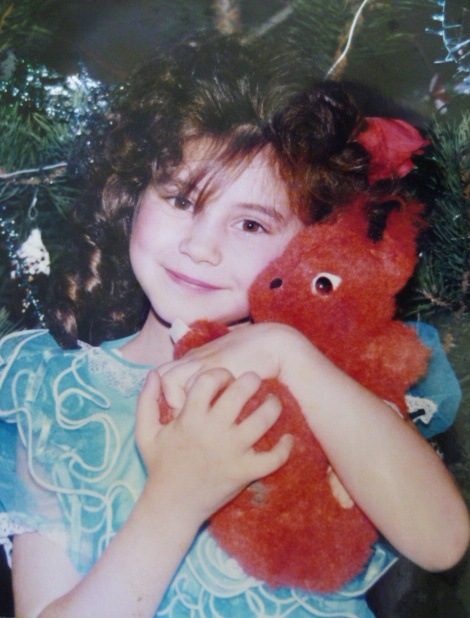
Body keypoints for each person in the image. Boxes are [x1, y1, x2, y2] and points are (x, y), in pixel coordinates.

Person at [0, 35, 468, 618]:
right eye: (181, 200)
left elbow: (443, 541)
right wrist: (176, 498)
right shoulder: (50, 395)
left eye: (251, 225)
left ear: (309, 244)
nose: (201, 247)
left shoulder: (330, 378)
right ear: (134, 192)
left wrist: (287, 353)